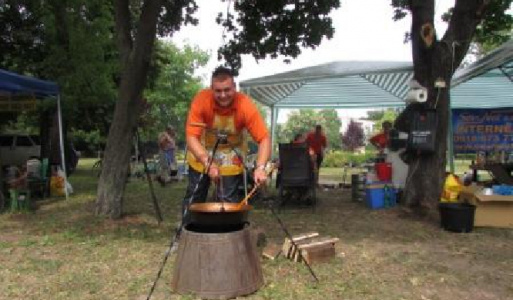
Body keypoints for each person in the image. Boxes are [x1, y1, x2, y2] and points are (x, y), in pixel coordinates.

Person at [183, 66, 271, 220]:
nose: (223, 95)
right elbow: (191, 136)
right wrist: (207, 161)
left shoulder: (245, 105)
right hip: (202, 150)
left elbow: (264, 138)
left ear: (234, 87)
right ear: (212, 89)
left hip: (231, 154)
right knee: (194, 196)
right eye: (218, 91)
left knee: (228, 201)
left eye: (227, 90)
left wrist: (261, 167)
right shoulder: (201, 100)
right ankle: (186, 234)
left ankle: (227, 237)